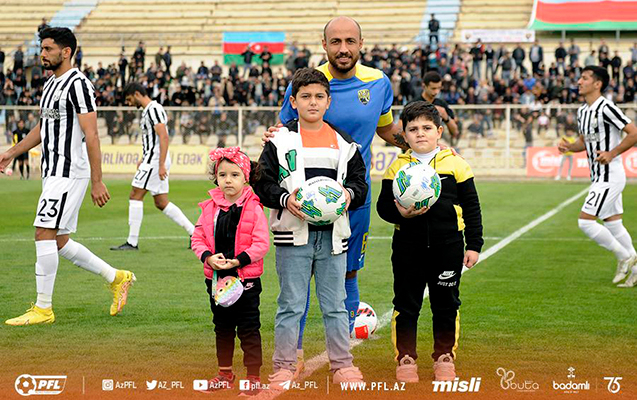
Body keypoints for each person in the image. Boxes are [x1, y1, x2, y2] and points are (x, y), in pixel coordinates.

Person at [271, 16, 404, 374]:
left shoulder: (378, 83)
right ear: (324, 44)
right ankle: (293, 357)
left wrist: (421, 148)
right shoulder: (308, 82)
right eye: (335, 42)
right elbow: (284, 129)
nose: (343, 49)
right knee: (297, 282)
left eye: (350, 41)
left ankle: (340, 358)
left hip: (352, 198)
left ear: (362, 44)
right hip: (303, 198)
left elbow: (387, 129)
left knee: (348, 273)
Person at [0, 27, 135, 325]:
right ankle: (117, 277)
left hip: (69, 171)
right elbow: (42, 128)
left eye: (48, 49)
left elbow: (92, 134)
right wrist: (12, 152)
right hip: (52, 172)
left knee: (43, 232)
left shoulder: (79, 85)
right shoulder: (50, 85)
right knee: (59, 240)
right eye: (42, 48)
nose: (42, 54)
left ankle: (43, 309)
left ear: (66, 52)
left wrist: (98, 180)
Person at [254, 68, 368, 388]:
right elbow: (262, 183)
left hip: (333, 237)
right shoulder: (280, 140)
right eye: (305, 96)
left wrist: (348, 195)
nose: (312, 102)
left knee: (334, 305)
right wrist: (285, 198)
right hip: (293, 236)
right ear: (294, 101)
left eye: (319, 96)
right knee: (291, 304)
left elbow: (360, 185)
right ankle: (285, 365)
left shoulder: (345, 144)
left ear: (329, 102)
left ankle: (342, 365)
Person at [377, 101, 483, 382]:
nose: (420, 133)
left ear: (439, 131)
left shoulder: (456, 164)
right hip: (407, 246)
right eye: (413, 129)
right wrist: (399, 211)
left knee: (446, 303)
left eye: (426, 128)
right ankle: (406, 357)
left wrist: (474, 244)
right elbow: (383, 207)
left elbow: (472, 206)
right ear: (404, 135)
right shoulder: (397, 167)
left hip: (447, 246)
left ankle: (445, 356)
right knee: (406, 303)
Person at [191, 147, 270, 396]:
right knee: (222, 327)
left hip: (246, 280)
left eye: (234, 175)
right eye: (222, 174)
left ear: (246, 177)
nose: (228, 180)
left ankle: (253, 377)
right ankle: (224, 374)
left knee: (248, 329)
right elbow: (197, 238)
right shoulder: (209, 208)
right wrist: (208, 258)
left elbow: (261, 244)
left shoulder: (254, 209)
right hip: (217, 280)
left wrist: (239, 261)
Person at [558, 65, 637, 287]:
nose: (579, 81)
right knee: (614, 224)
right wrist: (569, 147)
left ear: (597, 84)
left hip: (610, 175)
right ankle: (636, 269)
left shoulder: (607, 107)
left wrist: (612, 153)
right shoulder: (583, 110)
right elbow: (584, 142)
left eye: (584, 78)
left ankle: (623, 256)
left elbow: (634, 133)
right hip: (598, 176)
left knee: (585, 222)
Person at [111, 83, 194, 251]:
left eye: (129, 99)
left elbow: (163, 136)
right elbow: (155, 139)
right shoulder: (148, 110)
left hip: (156, 160)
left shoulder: (153, 108)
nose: (128, 103)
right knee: (161, 202)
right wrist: (144, 157)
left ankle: (132, 242)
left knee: (135, 194)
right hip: (152, 159)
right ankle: (194, 233)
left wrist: (161, 163)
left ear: (136, 94)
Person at [419, 71, 459, 146]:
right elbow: (401, 130)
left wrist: (446, 116)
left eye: (439, 88)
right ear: (424, 86)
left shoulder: (442, 104)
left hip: (435, 148)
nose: (436, 91)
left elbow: (455, 132)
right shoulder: (414, 104)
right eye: (433, 88)